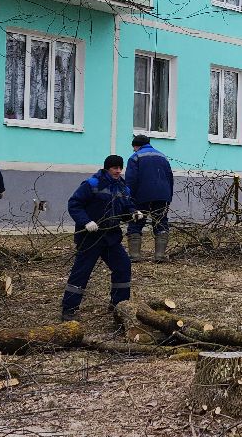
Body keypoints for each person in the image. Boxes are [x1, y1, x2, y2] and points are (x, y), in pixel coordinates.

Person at [64, 154, 134, 316]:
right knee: (81, 272)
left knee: (123, 267)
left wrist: (133, 213)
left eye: (120, 168)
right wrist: (86, 221)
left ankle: (119, 306)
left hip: (111, 238)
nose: (118, 171)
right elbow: (74, 204)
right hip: (90, 238)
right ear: (107, 168)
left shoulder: (123, 188)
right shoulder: (91, 184)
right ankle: (69, 309)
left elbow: (126, 208)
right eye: (115, 168)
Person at [127, 134, 175, 262]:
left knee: (136, 221)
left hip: (142, 195)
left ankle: (135, 256)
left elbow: (131, 180)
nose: (133, 150)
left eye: (133, 147)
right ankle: (159, 256)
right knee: (161, 222)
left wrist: (129, 198)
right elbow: (170, 178)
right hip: (162, 195)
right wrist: (168, 196)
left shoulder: (135, 157)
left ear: (136, 146)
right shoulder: (162, 156)